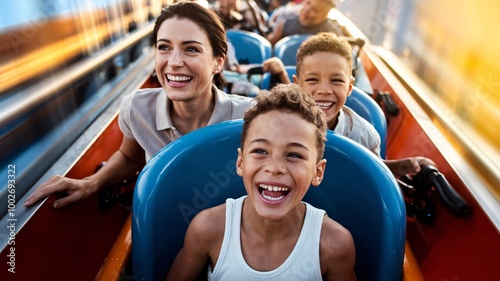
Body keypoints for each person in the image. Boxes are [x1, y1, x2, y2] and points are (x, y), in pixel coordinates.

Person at [24, 2, 254, 209]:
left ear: (218, 62)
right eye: (164, 47)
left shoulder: (248, 118)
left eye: (191, 49)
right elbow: (129, 157)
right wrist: (91, 183)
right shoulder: (138, 109)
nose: (174, 62)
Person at [165, 83, 356, 280]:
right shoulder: (208, 229)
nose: (274, 168)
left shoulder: (334, 245)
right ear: (240, 162)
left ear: (317, 172)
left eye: (294, 155)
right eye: (260, 151)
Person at [291, 32, 435, 176]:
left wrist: (403, 166)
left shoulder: (364, 137)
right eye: (312, 80)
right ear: (297, 84)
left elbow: (373, 175)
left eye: (337, 81)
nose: (324, 90)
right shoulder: (278, 125)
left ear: (349, 87)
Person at [266, 0, 344, 45]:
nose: (307, 10)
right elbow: (268, 44)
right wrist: (275, 37)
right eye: (308, 3)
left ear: (324, 15)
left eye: (315, 10)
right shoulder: (287, 17)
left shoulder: (330, 32)